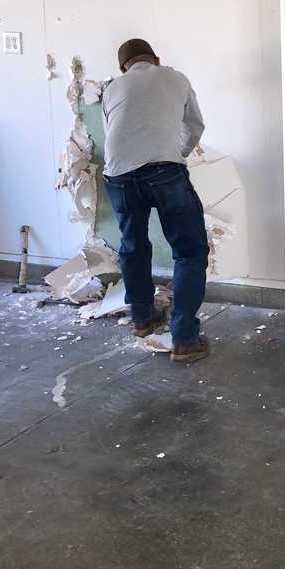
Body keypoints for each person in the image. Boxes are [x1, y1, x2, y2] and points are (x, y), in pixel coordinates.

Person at [102, 38, 210, 364]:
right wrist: (176, 156)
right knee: (190, 251)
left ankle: (142, 319)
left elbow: (115, 134)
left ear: (123, 67)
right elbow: (194, 126)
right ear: (156, 59)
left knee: (133, 245)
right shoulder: (175, 77)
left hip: (119, 176)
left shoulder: (111, 88)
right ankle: (185, 340)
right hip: (164, 171)